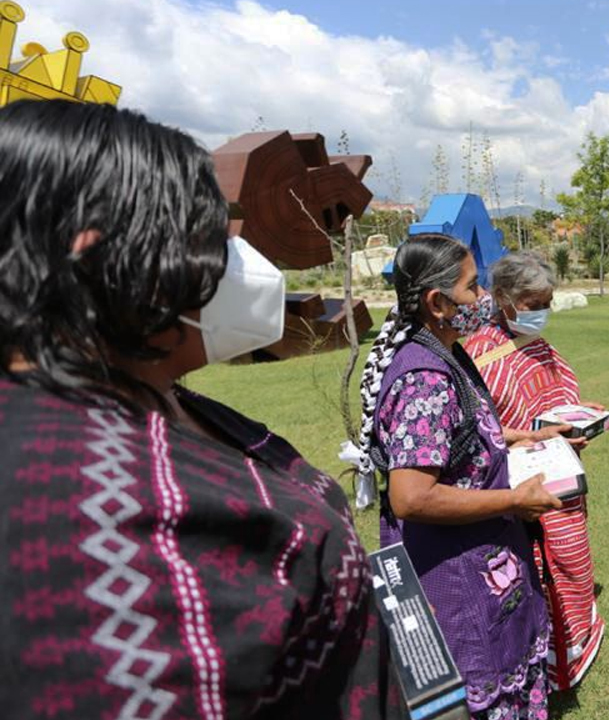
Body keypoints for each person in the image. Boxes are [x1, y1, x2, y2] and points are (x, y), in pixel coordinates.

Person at [0, 101, 395, 717]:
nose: (232, 264)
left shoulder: (147, 396)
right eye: (209, 238)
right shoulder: (86, 521)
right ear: (102, 257)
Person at [354, 234, 569, 719]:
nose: (484, 299)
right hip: (456, 577)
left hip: (485, 560)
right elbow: (412, 497)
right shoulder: (423, 379)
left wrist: (518, 437)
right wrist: (513, 502)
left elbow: (460, 431)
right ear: (437, 302)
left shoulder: (446, 351)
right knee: (480, 683)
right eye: (473, 288)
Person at [462, 251, 606, 692]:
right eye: (532, 303)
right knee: (523, 574)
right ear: (504, 299)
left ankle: (573, 646)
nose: (540, 312)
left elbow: (560, 398)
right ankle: (535, 657)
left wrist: (582, 418)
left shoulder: (540, 346)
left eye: (547, 301)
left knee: (569, 562)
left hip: (563, 483)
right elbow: (474, 427)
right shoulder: (475, 355)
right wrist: (530, 436)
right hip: (513, 488)